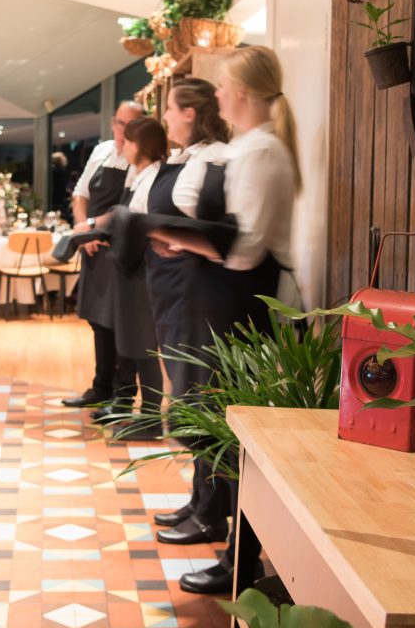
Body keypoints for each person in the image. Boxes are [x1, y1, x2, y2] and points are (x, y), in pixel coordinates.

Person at [151, 46, 300, 594]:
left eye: (221, 85)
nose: (216, 94)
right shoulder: (248, 148)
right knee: (218, 422)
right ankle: (220, 530)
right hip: (223, 302)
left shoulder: (262, 152)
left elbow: (245, 251)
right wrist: (180, 240)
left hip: (243, 306)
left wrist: (175, 237)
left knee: (235, 434)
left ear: (239, 91)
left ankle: (240, 564)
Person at [141, 79, 232, 544]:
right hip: (173, 290)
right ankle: (200, 499)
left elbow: (216, 227)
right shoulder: (187, 157)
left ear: (191, 114)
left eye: (171, 110)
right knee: (187, 392)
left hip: (196, 289)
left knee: (203, 396)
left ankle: (212, 512)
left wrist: (178, 240)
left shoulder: (216, 158)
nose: (165, 118)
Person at [62, 101, 142, 410]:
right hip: (93, 249)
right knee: (98, 322)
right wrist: (84, 228)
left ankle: (123, 395)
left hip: (120, 251)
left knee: (122, 324)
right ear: (112, 123)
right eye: (120, 123)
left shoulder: (141, 158)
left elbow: (129, 209)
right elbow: (80, 193)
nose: (123, 130)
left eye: (130, 125)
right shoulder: (101, 151)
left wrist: (94, 229)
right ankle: (101, 388)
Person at [102, 115, 167, 430]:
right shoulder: (140, 174)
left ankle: (151, 420)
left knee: (144, 347)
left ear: (139, 146)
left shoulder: (152, 177)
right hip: (131, 270)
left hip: (141, 271)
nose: (123, 146)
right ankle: (135, 411)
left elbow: (140, 227)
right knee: (134, 344)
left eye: (127, 141)